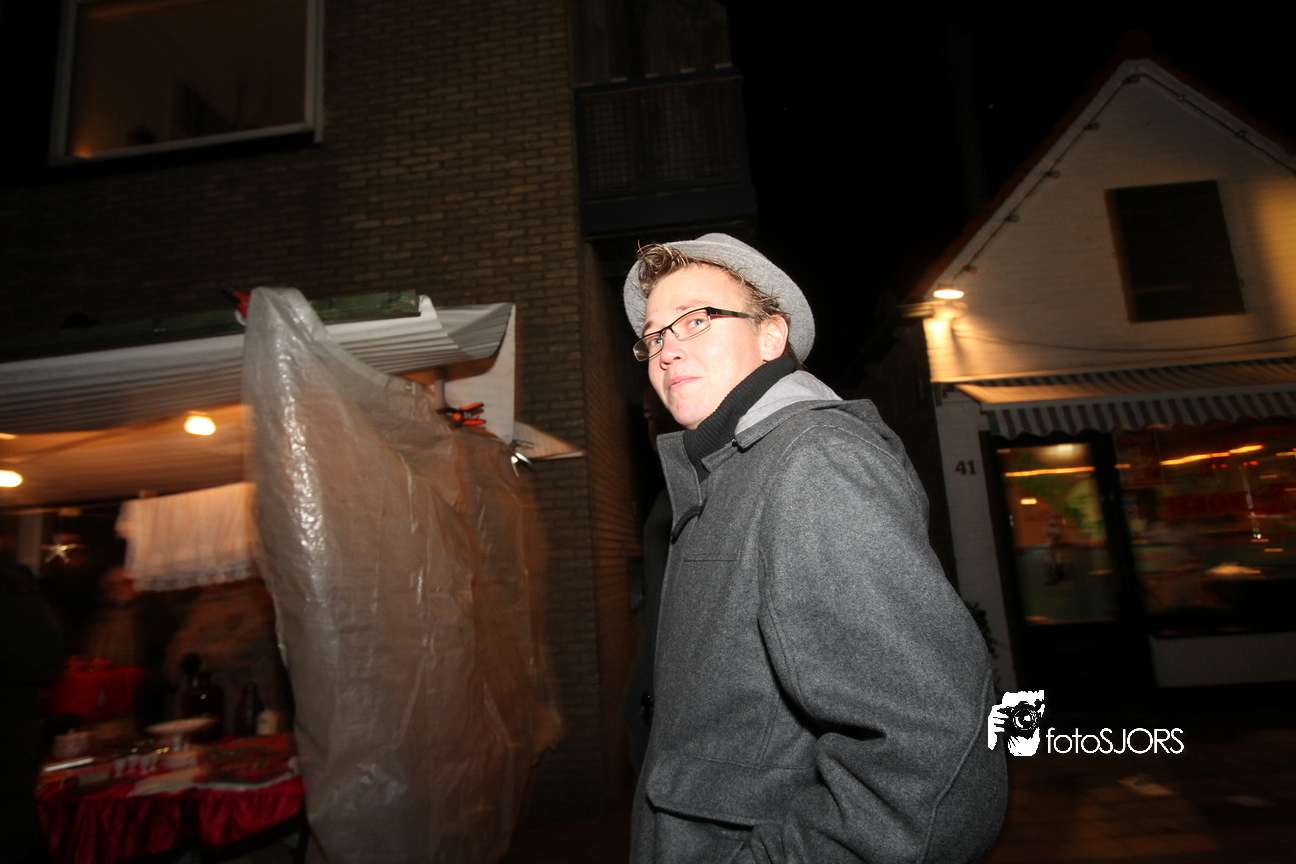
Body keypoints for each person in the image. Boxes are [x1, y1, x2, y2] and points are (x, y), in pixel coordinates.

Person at [623, 233, 1007, 863]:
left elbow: (935, 760)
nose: (668, 350)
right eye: (654, 336)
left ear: (771, 336)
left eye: (696, 320)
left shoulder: (814, 463)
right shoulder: (725, 475)